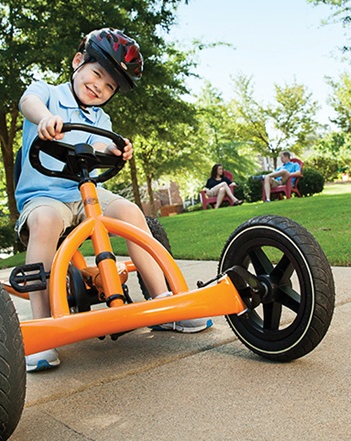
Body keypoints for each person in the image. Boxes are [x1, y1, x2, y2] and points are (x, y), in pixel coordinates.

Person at [16, 28, 212, 372]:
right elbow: (26, 102)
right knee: (45, 222)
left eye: (109, 87)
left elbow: (101, 146)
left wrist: (117, 149)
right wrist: (44, 118)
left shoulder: (99, 118)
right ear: (78, 62)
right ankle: (42, 330)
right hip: (46, 196)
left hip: (86, 193)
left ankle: (164, 303)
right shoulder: (46, 93)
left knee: (130, 211)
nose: (99, 88)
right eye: (96, 74)